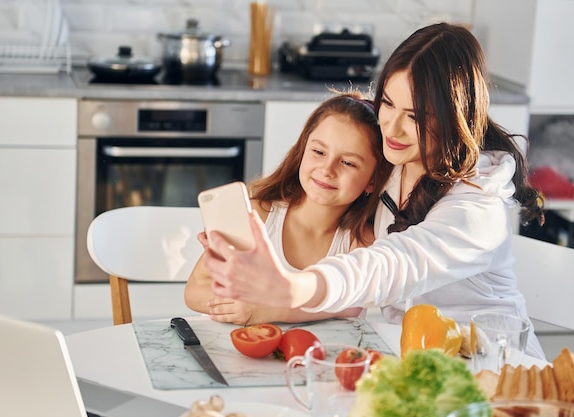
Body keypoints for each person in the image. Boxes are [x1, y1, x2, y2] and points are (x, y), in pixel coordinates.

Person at [201, 22, 547, 359]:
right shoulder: (389, 164)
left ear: (454, 117)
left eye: (415, 116)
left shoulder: (478, 204)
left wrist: (293, 289)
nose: (391, 127)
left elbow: (392, 263)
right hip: (418, 356)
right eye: (388, 103)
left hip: (497, 362)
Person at [184, 91, 393, 325]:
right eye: (319, 152)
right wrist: (241, 307)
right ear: (302, 151)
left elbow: (351, 306)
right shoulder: (257, 218)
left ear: (373, 181)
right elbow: (194, 290)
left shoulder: (361, 241)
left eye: (348, 162)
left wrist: (270, 310)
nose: (327, 169)